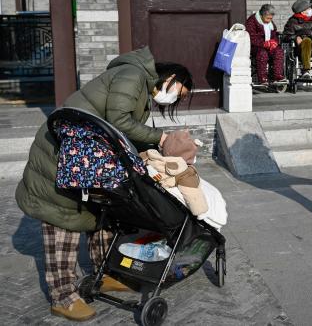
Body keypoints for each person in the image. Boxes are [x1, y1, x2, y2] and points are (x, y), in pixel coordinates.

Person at [15, 47, 193, 321]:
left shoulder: (141, 88)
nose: (173, 99)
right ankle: (62, 296)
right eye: (178, 92)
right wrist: (161, 139)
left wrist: (154, 149)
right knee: (63, 219)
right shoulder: (134, 74)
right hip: (64, 158)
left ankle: (106, 274)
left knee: (101, 216)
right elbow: (119, 121)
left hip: (89, 159)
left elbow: (121, 131)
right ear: (170, 76)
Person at [245, 4, 286, 85]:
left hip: (268, 45)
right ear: (261, 15)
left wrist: (274, 42)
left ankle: (278, 76)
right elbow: (251, 37)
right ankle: (262, 78)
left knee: (278, 51)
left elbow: (274, 35)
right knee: (262, 54)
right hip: (256, 47)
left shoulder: (270, 23)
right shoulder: (252, 21)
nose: (269, 20)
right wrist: (264, 44)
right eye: (267, 18)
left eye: (271, 18)